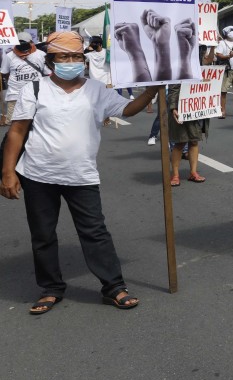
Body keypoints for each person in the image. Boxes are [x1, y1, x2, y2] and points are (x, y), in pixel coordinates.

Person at [0, 31, 160, 314]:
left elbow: (128, 109)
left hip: (81, 175)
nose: (71, 61)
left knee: (95, 231)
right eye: (64, 56)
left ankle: (113, 287)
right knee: (43, 234)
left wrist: (151, 90)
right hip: (38, 174)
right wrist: (8, 172)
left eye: (76, 56)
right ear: (51, 60)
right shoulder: (35, 89)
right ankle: (50, 289)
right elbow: (17, 131)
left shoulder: (96, 90)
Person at [2, 33, 47, 127]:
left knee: (36, 124)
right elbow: (5, 72)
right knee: (14, 126)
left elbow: (46, 73)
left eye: (25, 43)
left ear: (31, 42)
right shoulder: (9, 56)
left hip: (37, 95)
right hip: (14, 96)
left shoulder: (41, 54)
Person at [167, 83, 208, 186]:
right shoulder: (178, 69)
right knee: (180, 142)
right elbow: (173, 88)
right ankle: (175, 175)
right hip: (181, 107)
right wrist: (173, 108)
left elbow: (208, 85)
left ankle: (193, 172)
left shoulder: (198, 68)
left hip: (195, 107)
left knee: (194, 141)